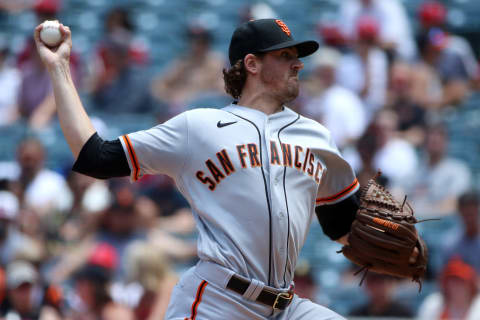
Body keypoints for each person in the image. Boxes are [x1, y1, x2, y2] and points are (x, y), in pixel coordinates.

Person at [34, 18, 418, 319]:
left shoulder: (316, 136)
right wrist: (60, 68)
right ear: (251, 64)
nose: (297, 63)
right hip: (218, 300)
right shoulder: (197, 128)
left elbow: (342, 225)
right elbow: (95, 157)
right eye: (284, 55)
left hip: (286, 305)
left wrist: (389, 242)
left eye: (297, 55)